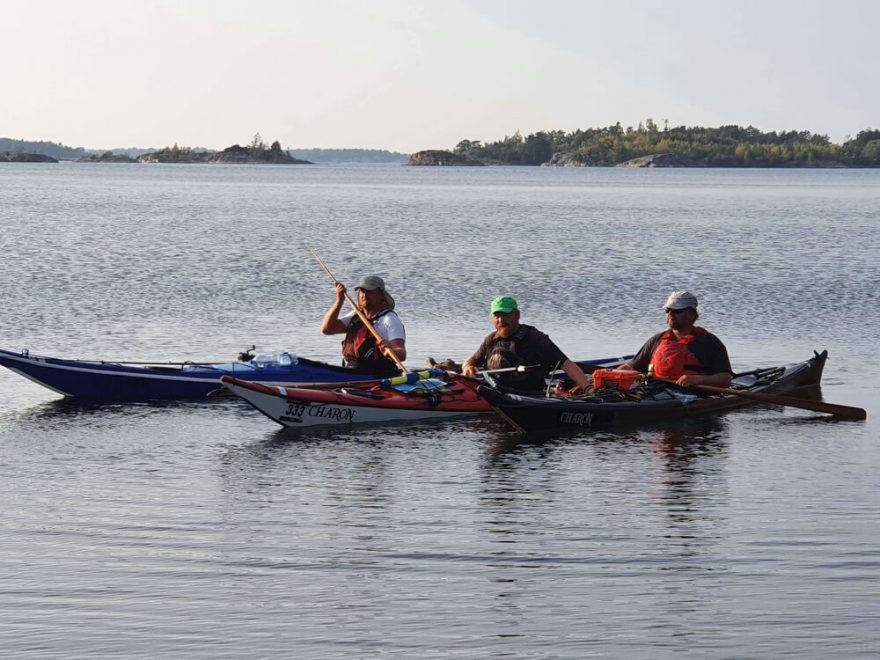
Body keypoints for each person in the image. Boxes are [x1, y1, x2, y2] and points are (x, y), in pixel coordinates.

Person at [462, 296, 589, 394]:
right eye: (497, 316)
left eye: (506, 315)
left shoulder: (535, 337)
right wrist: (467, 366)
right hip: (496, 390)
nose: (501, 320)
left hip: (528, 393)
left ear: (517, 315)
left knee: (499, 354)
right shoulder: (491, 339)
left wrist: (587, 388)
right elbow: (472, 360)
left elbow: (565, 363)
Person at [619, 291, 732, 387]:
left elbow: (725, 379)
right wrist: (610, 374)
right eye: (668, 310)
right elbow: (631, 367)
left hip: (691, 393)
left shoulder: (709, 343)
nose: (670, 314)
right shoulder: (656, 340)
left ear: (692, 315)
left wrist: (698, 379)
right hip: (655, 390)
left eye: (677, 311)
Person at [321, 274, 406, 376]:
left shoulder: (390, 319)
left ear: (381, 295)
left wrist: (390, 350)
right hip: (352, 372)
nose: (364, 295)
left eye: (370, 291)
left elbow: (402, 354)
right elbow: (327, 329)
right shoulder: (355, 316)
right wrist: (339, 301)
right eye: (362, 291)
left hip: (378, 375)